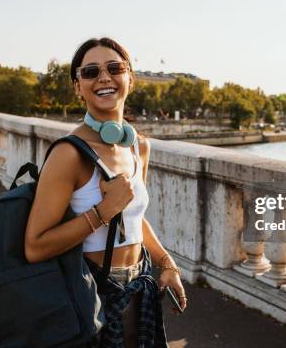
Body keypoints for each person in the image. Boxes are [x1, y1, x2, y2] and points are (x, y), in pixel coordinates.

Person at [24, 37, 186, 347]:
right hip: (91, 291)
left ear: (130, 79)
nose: (103, 77)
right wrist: (102, 212)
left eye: (114, 67)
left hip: (140, 286)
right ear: (77, 86)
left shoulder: (139, 146)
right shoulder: (69, 155)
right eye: (90, 72)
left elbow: (134, 218)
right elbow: (35, 246)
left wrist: (166, 262)